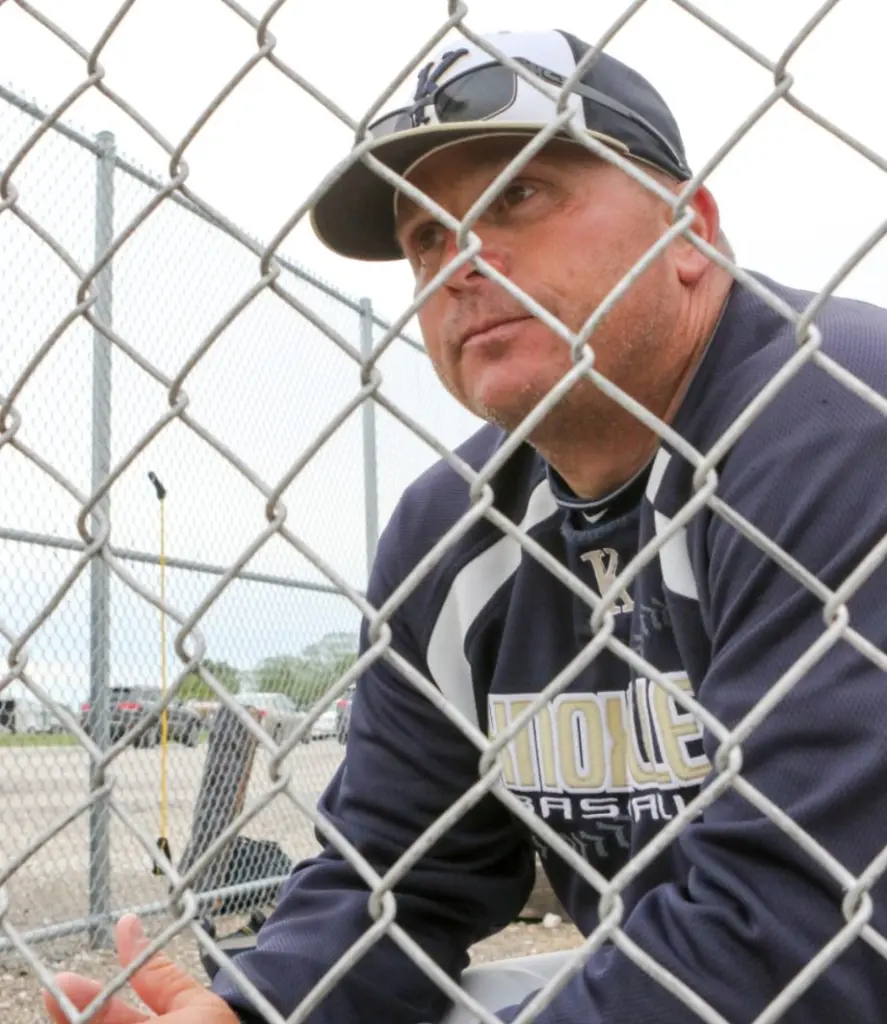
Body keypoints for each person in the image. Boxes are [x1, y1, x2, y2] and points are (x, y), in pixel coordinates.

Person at [45, 26, 887, 1024]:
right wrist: (251, 1008)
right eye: (425, 238)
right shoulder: (451, 533)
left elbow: (796, 936)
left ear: (689, 233)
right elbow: (393, 881)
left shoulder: (839, 417)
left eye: (517, 195)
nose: (461, 262)